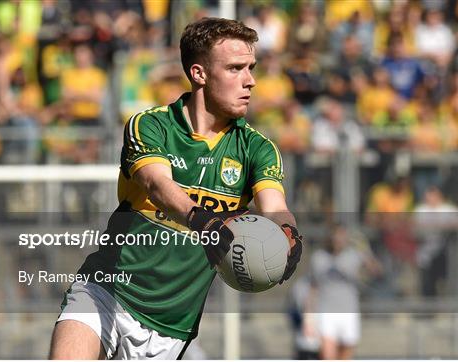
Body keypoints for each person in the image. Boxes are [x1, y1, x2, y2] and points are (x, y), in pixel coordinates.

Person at [48, 17, 303, 360]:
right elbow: (156, 183)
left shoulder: (256, 148)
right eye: (235, 68)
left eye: (251, 68)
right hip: (105, 293)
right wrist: (203, 221)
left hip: (173, 329)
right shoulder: (150, 125)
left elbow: (274, 205)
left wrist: (288, 232)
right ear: (199, 73)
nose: (251, 81)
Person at [307, 224, 381, 360]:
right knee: (328, 356)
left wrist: (365, 250)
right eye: (335, 236)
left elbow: (376, 272)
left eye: (341, 236)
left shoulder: (353, 255)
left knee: (346, 356)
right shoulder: (319, 257)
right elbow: (313, 288)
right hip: (326, 311)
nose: (338, 240)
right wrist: (308, 318)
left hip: (349, 311)